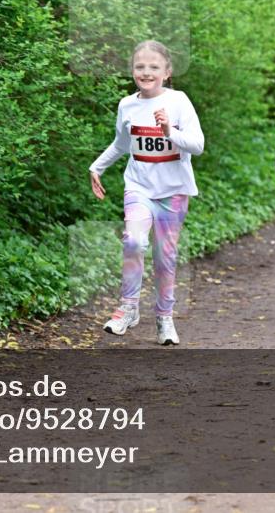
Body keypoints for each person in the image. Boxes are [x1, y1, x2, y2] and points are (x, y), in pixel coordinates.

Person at [89, 40, 204, 345]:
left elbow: (198, 145)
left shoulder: (179, 102)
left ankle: (164, 319)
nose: (146, 71)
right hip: (139, 187)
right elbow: (121, 144)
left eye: (154, 67)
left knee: (165, 258)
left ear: (167, 72)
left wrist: (170, 132)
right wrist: (96, 167)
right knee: (134, 240)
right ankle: (128, 308)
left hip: (174, 192)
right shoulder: (127, 105)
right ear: (132, 71)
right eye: (140, 66)